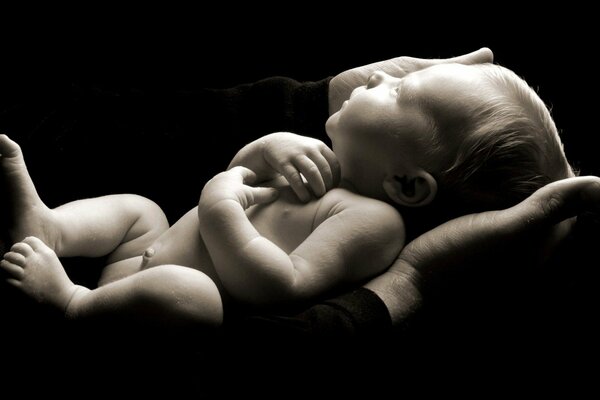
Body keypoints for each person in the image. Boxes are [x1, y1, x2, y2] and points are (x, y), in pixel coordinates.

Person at [0, 50, 576, 335]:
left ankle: (76, 304)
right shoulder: (317, 161)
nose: (380, 76)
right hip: (147, 248)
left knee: (193, 291)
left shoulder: (372, 224)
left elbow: (279, 282)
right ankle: (52, 228)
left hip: (164, 301)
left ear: (406, 184)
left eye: (400, 92)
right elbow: (241, 176)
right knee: (141, 209)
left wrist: (220, 205)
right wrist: (263, 149)